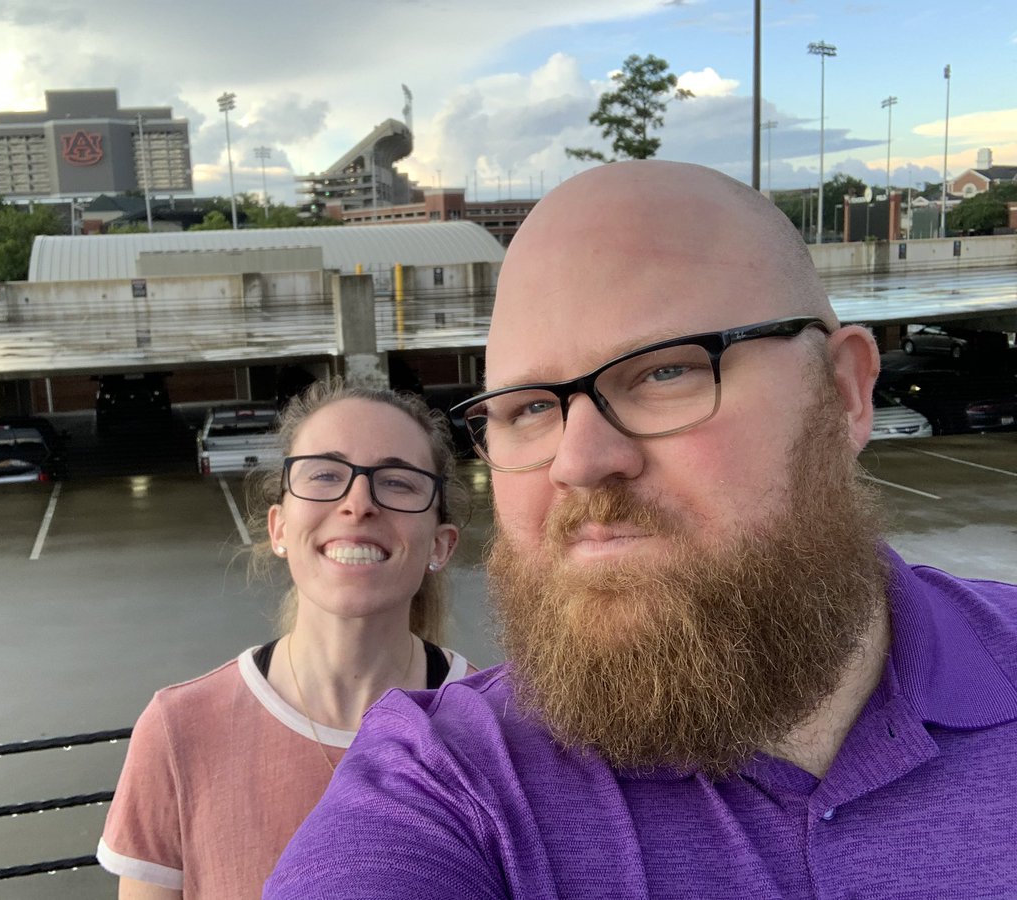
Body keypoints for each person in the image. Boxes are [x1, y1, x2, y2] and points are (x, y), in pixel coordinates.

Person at [265, 161, 1017, 898]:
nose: (578, 462)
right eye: (530, 408)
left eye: (664, 372)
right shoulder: (445, 783)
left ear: (845, 393)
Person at [98, 380, 473, 898]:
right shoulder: (177, 732)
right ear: (278, 529)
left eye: (397, 482)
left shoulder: (504, 731)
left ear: (440, 544)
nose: (358, 503)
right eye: (325, 474)